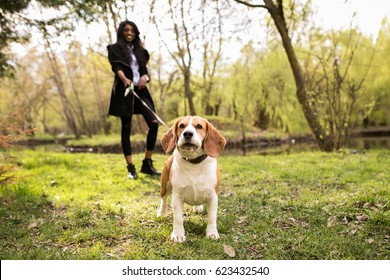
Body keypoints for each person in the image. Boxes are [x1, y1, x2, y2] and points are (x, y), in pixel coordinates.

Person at [107, 20, 161, 179]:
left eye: (132, 31)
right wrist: (124, 79)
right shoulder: (114, 49)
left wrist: (146, 78)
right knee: (126, 128)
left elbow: (145, 72)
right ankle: (130, 168)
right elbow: (116, 68)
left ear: (135, 32)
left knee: (154, 122)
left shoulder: (141, 51)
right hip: (125, 90)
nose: (129, 33)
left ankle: (147, 163)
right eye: (126, 31)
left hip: (141, 90)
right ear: (122, 32)